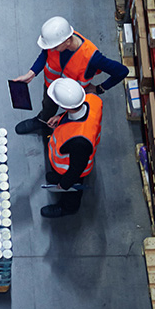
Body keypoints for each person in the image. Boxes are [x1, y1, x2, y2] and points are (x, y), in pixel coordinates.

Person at [12, 16, 127, 136]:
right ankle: (42, 121)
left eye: (54, 47)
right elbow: (45, 53)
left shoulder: (92, 57)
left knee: (72, 120)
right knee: (48, 106)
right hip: (51, 86)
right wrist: (31, 73)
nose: (52, 49)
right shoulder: (59, 39)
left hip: (71, 95)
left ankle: (63, 126)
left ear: (67, 42)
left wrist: (100, 88)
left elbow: (121, 71)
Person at [41, 78, 103, 218]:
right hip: (74, 153)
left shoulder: (79, 141)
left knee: (73, 190)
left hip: (70, 168)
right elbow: (77, 111)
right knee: (59, 177)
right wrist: (60, 117)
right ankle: (57, 178)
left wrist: (64, 184)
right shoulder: (92, 99)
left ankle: (68, 207)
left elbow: (76, 169)